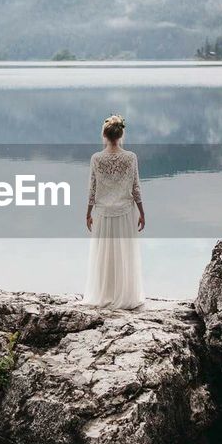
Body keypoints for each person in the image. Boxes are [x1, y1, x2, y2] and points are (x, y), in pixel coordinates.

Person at [83, 115, 145, 309]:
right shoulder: (130, 157)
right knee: (124, 254)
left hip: (103, 212)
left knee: (105, 255)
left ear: (104, 135)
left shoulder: (96, 158)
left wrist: (88, 213)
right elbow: (136, 188)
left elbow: (92, 189)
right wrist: (142, 212)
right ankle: (124, 295)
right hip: (125, 211)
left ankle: (105, 293)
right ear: (121, 134)